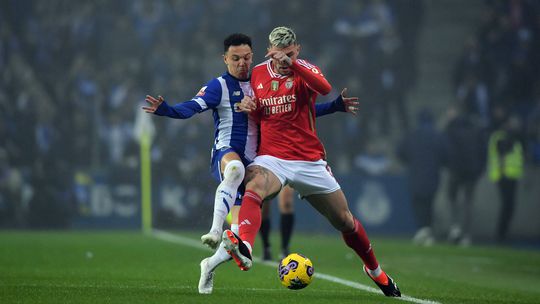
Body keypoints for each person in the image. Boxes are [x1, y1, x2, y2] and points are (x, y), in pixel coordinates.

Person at [142, 33, 359, 294]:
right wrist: (167, 110)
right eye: (235, 59)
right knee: (235, 170)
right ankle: (213, 230)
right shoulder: (218, 86)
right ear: (225, 59)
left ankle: (209, 264)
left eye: (246, 58)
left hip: (257, 161)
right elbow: (193, 106)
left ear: (253, 57)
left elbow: (295, 111)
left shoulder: (259, 81)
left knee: (236, 238)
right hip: (227, 153)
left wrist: (334, 106)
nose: (241, 63)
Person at [222, 26, 401, 297]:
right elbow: (263, 116)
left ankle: (374, 270)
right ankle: (246, 246)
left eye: (290, 53)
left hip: (309, 160)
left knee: (345, 221)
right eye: (279, 54)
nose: (284, 59)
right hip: (273, 158)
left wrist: (294, 65)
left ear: (298, 50)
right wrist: (253, 109)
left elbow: (325, 88)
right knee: (254, 184)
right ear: (270, 51)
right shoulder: (258, 73)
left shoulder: (305, 70)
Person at [397, 108, 448, 246]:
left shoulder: (412, 135)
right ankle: (427, 230)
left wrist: (411, 160)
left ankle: (422, 229)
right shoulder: (438, 136)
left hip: (415, 173)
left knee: (418, 202)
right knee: (429, 202)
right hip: (433, 174)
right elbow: (446, 155)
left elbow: (400, 152)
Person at [487, 114, 524, 243]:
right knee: (507, 205)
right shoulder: (502, 137)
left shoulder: (512, 136)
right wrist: (502, 173)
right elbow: (502, 155)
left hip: (511, 176)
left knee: (509, 205)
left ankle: (503, 233)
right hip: (504, 176)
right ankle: (500, 234)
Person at [259, 185, 295, 261]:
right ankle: (266, 247)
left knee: (287, 203)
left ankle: (285, 249)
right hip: (268, 172)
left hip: (286, 172)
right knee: (263, 209)